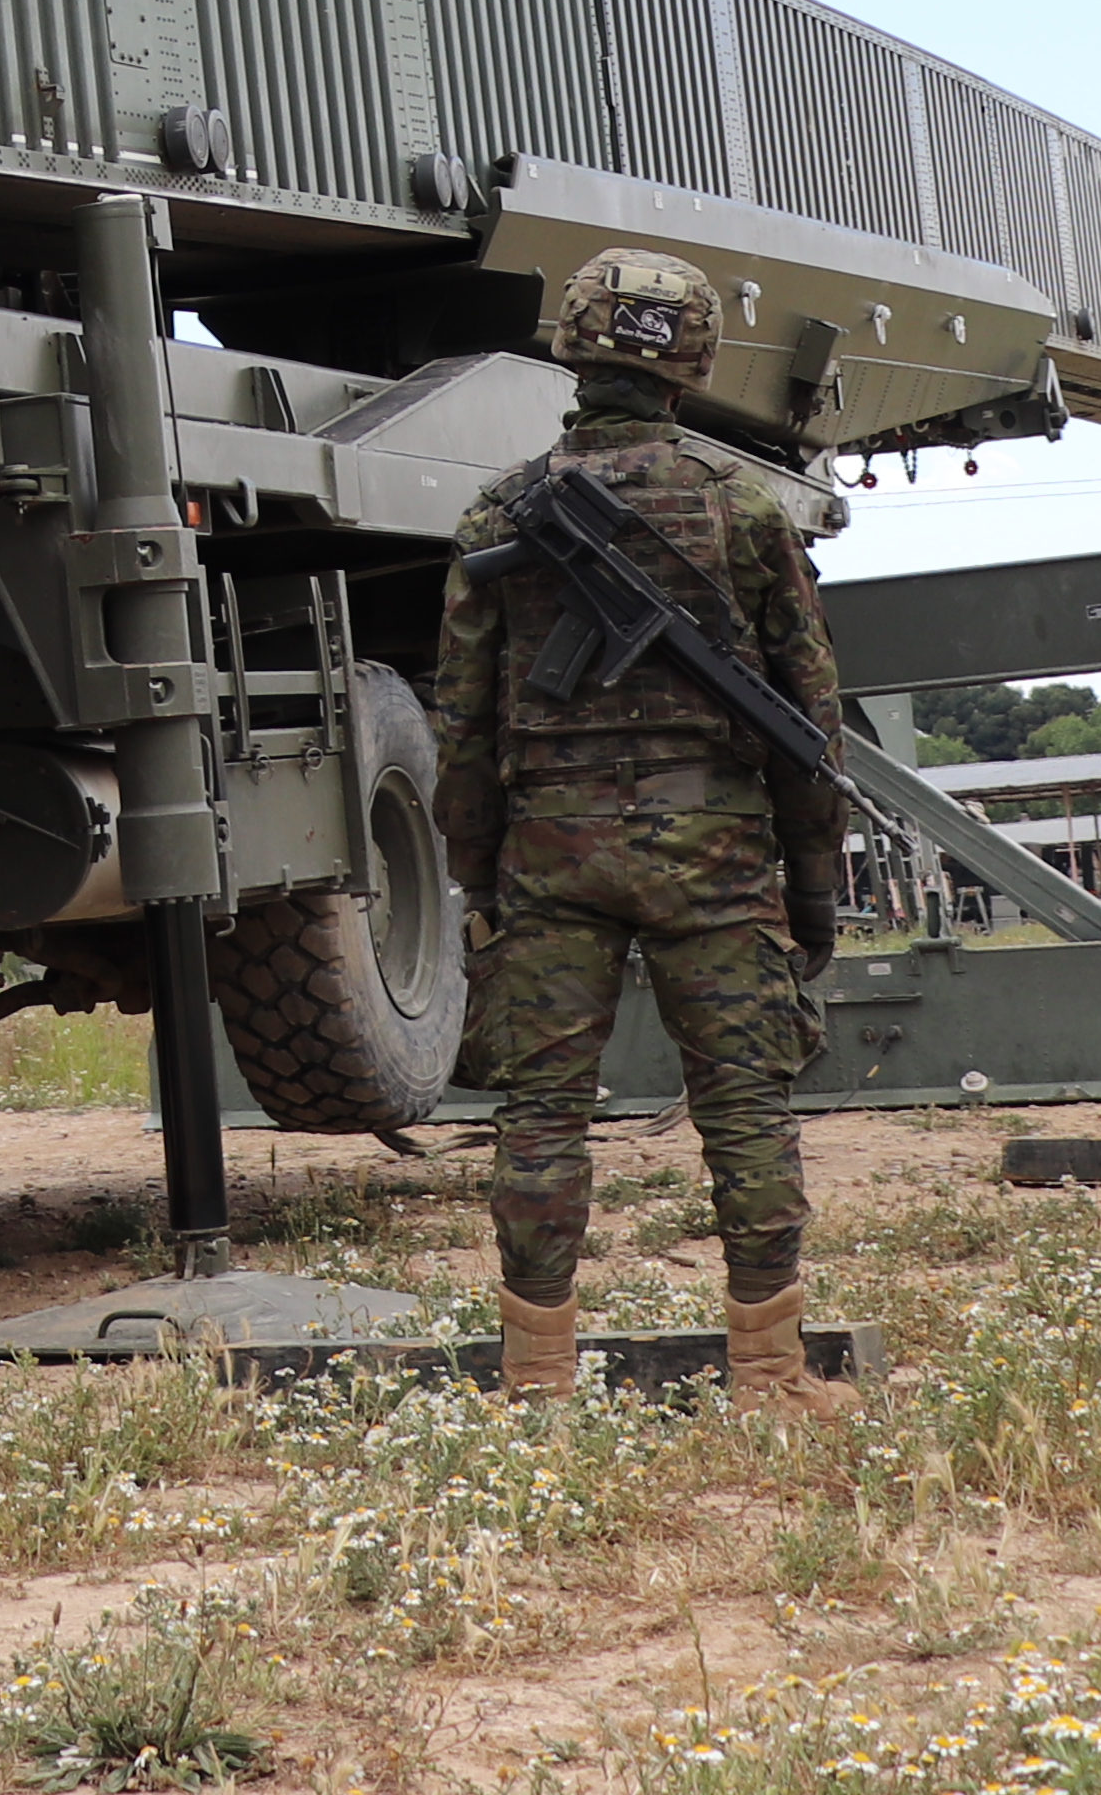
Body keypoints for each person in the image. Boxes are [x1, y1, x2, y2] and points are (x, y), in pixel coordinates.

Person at [426, 244, 851, 1416]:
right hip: (714, 858)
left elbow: (460, 719)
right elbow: (811, 719)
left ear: (572, 345)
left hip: (551, 856)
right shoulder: (743, 509)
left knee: (539, 1119)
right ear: (698, 363)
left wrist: (480, 872)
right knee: (748, 1110)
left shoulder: (496, 512)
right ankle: (768, 1370)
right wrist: (810, 883)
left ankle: (537, 1379)